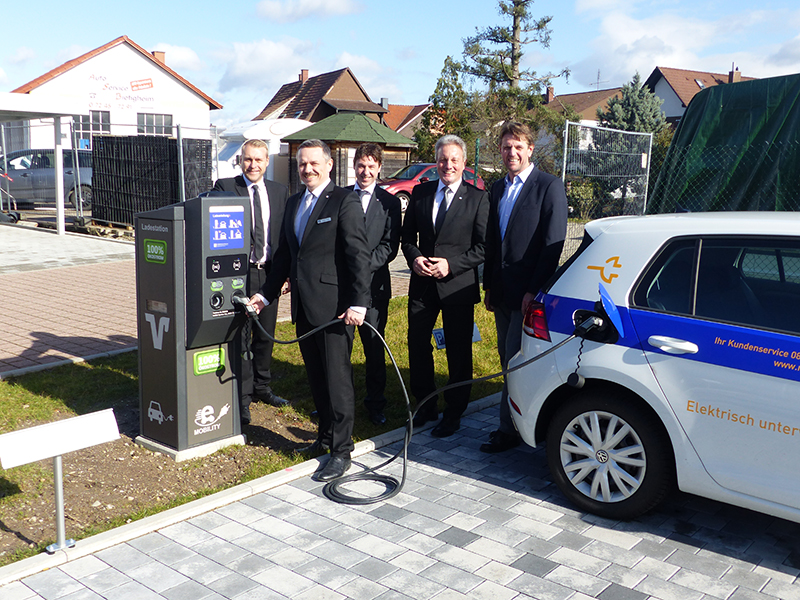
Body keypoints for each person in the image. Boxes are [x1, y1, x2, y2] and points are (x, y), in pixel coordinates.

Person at [248, 139, 371, 481]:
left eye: (314, 163)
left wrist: (359, 302)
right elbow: (286, 257)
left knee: (337, 380)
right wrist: (265, 296)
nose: (308, 169)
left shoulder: (344, 200)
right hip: (304, 308)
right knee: (316, 377)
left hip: (335, 310)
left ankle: (342, 450)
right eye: (303, 163)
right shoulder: (294, 202)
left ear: (329, 165)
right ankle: (325, 438)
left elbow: (358, 256)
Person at [481, 121, 568, 453]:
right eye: (506, 146)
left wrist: (534, 290)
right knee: (506, 356)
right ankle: (516, 422)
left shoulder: (548, 186)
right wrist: (489, 286)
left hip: (527, 295)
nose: (512, 152)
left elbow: (552, 244)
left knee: (516, 361)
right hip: (502, 292)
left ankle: (509, 429)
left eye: (518, 146)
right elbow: (494, 241)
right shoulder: (498, 188)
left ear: (531, 148)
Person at [401, 134, 489, 438]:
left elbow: (484, 247)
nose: (447, 165)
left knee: (458, 350)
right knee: (417, 344)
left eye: (454, 159)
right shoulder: (421, 192)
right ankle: (425, 405)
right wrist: (414, 258)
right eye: (442, 159)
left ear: (464, 163)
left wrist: (452, 265)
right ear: (436, 161)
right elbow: (407, 238)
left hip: (457, 286)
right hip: (422, 285)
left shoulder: (477, 198)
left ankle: (454, 411)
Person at [212, 139, 289, 426]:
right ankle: (243, 397)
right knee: (242, 337)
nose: (253, 165)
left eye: (258, 159)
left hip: (269, 273)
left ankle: (262, 386)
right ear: (240, 160)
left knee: (265, 334)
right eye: (248, 159)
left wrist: (286, 274)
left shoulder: (280, 192)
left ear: (267, 161)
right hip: (239, 274)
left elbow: (284, 237)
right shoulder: (225, 187)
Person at [346, 143, 401, 426]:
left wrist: (361, 267)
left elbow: (389, 247)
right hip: (342, 288)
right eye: (361, 166)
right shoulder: (340, 197)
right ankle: (337, 402)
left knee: (374, 348)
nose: (365, 172)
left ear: (379, 168)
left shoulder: (390, 203)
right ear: (354, 166)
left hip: (374, 287)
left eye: (371, 166)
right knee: (340, 349)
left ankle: (376, 404)